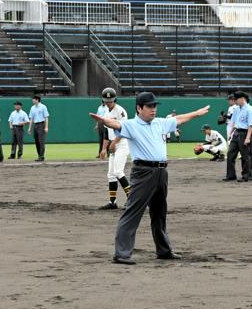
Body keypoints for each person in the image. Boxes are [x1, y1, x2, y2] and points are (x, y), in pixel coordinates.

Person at [89, 92, 210, 265]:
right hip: (143, 172)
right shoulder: (131, 125)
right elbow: (115, 123)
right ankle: (122, 253)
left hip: (162, 172)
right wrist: (103, 120)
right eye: (149, 106)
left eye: (155, 106)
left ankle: (164, 250)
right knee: (132, 212)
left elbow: (180, 119)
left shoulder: (160, 123)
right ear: (139, 108)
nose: (153, 109)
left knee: (159, 213)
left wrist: (197, 113)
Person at [97, 88, 131, 210]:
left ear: (115, 99)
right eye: (106, 101)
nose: (108, 103)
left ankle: (132, 199)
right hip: (113, 145)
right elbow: (107, 132)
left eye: (110, 101)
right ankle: (113, 202)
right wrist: (103, 149)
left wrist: (114, 143)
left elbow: (124, 130)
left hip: (122, 144)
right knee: (111, 175)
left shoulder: (121, 111)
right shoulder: (106, 112)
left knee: (118, 172)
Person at [224, 91, 252, 182]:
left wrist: (247, 138)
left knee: (245, 155)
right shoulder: (237, 109)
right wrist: (231, 133)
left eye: (236, 99)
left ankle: (246, 175)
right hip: (236, 132)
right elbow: (234, 122)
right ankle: (231, 175)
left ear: (242, 98)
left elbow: (251, 125)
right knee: (230, 153)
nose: (235, 101)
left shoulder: (249, 109)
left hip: (245, 132)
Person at [28, 95, 49, 161]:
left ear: (37, 100)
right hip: (35, 125)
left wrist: (46, 127)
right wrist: (29, 128)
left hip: (41, 124)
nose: (32, 100)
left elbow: (46, 117)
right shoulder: (32, 108)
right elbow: (31, 118)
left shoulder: (43, 107)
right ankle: (39, 155)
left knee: (41, 141)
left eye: (33, 99)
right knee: (36, 141)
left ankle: (42, 156)